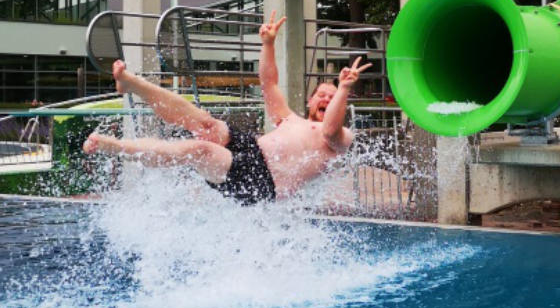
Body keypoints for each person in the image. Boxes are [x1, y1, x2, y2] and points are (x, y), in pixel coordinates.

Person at [83, 11, 373, 204]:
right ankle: (131, 83)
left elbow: (331, 130)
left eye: (331, 96)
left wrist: (344, 88)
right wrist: (268, 44)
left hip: (262, 181)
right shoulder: (290, 119)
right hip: (250, 149)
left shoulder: (342, 137)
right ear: (310, 101)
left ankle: (116, 146)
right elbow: (269, 84)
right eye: (321, 94)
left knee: (200, 150)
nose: (325, 98)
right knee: (207, 125)